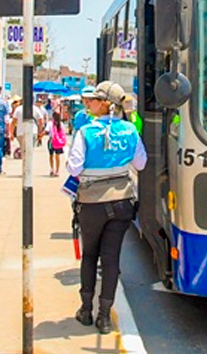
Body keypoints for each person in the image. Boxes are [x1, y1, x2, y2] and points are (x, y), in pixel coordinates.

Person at [67, 81, 147, 335]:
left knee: (90, 255)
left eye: (93, 100)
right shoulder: (130, 130)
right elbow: (141, 163)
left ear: (106, 104)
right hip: (122, 202)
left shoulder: (85, 132)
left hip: (91, 203)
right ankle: (104, 317)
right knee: (111, 258)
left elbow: (74, 168)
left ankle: (86, 311)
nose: (88, 103)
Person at [10, 95, 44, 161]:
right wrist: (40, 132)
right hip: (33, 132)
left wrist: (11, 133)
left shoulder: (18, 109)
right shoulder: (35, 109)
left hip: (20, 133)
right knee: (30, 150)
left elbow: (13, 122)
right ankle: (28, 165)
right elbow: (41, 121)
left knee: (23, 151)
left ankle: (26, 164)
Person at [46, 110, 66, 176]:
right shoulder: (61, 124)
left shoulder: (50, 123)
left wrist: (40, 136)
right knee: (57, 156)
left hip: (51, 141)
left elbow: (46, 131)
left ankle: (52, 169)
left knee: (51, 155)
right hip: (59, 142)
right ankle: (57, 171)